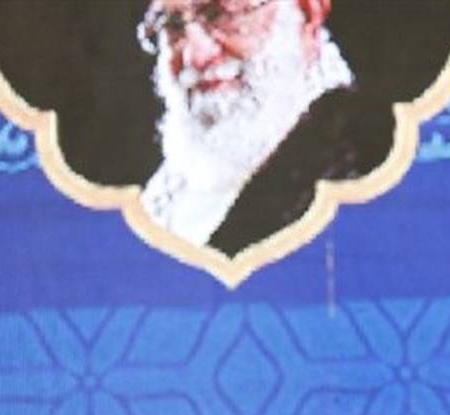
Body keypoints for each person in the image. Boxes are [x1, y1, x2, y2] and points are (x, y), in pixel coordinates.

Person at [138, 0, 358, 254]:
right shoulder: (164, 193)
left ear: (308, 15)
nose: (196, 56)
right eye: (173, 24)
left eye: (222, 14)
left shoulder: (363, 169)